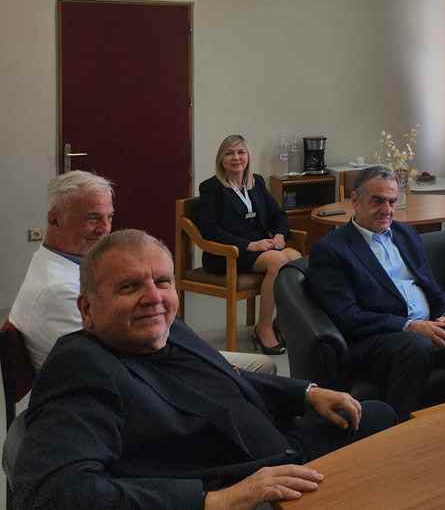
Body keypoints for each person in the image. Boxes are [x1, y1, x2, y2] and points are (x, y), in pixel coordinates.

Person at [12, 229, 397, 510]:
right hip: (243, 477)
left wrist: (307, 393)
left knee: (378, 415)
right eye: (130, 287)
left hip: (280, 443)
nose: (154, 298)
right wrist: (215, 499)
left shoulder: (168, 328)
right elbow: (51, 493)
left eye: (162, 281)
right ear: (87, 310)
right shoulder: (80, 366)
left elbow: (225, 379)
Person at [10, 170, 275, 374]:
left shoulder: (59, 262)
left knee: (259, 370)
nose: (105, 229)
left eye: (109, 217)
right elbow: (118, 363)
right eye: (93, 219)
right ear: (55, 219)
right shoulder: (59, 291)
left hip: (146, 362)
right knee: (263, 369)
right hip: (133, 384)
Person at [307, 166, 445, 421]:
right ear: (355, 201)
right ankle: (400, 432)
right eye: (377, 201)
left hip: (427, 329)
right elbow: (347, 316)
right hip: (379, 338)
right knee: (416, 345)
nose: (387, 210)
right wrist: (409, 326)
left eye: (392, 201)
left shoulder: (405, 234)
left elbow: (432, 287)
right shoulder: (331, 250)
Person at [195, 134, 301, 354]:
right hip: (227, 254)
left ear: (248, 156)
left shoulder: (256, 182)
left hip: (262, 247)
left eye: (241, 152)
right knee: (279, 262)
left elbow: (277, 214)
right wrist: (248, 245)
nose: (236, 158)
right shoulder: (210, 188)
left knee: (296, 259)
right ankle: (262, 327)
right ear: (221, 158)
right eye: (230, 153)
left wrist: (280, 234)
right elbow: (210, 231)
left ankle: (280, 323)